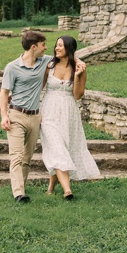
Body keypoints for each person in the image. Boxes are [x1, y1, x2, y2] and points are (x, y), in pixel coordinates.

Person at [40, 35, 101, 198]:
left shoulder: (78, 68)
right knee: (56, 147)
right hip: (49, 112)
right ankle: (67, 190)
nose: (56, 48)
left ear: (68, 48)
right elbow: (40, 87)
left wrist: (78, 76)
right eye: (56, 45)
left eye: (60, 45)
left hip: (69, 113)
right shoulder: (49, 65)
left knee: (61, 149)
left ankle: (51, 187)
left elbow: (77, 95)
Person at [0, 30, 50, 202]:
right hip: (16, 115)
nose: (46, 48)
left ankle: (22, 186)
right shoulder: (12, 67)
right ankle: (19, 193)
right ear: (34, 47)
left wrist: (79, 63)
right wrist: (4, 116)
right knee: (16, 156)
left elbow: (67, 56)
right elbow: (4, 93)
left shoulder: (45, 61)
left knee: (27, 158)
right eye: (43, 45)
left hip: (35, 117)